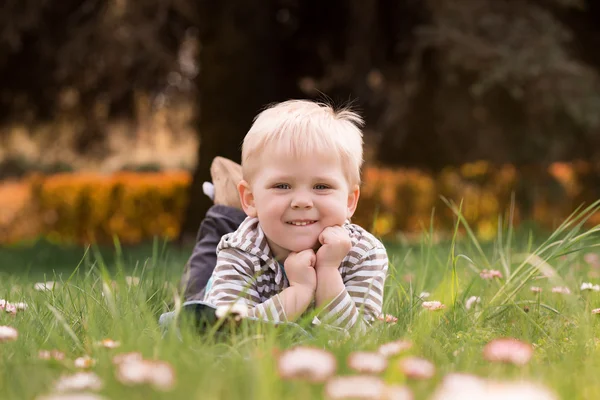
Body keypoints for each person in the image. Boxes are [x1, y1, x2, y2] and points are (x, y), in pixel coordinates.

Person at [182, 100, 388, 331]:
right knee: (191, 303)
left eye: (321, 186)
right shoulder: (240, 251)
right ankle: (225, 206)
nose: (301, 201)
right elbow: (228, 331)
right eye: (282, 185)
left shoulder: (364, 252)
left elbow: (360, 338)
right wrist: (298, 292)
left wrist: (328, 271)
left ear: (350, 201)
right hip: (226, 268)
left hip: (267, 222)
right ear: (249, 199)